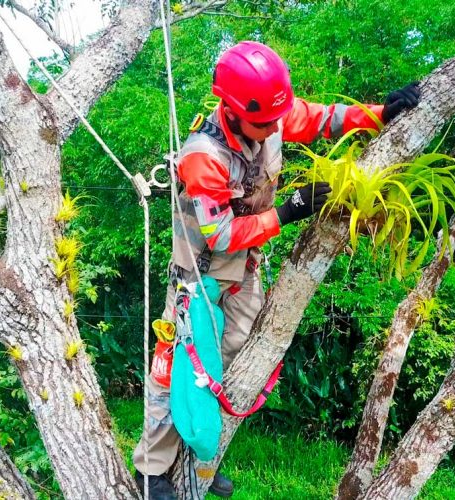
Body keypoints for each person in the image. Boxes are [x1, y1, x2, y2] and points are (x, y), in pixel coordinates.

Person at [133, 41, 420, 499]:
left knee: (229, 362)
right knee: (177, 370)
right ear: (231, 107)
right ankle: (151, 471)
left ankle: (197, 457)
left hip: (245, 269)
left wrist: (381, 113)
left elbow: (324, 118)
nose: (272, 128)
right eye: (263, 122)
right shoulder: (203, 154)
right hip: (199, 278)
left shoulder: (270, 117)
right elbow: (220, 235)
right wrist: (290, 210)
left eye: (275, 120)